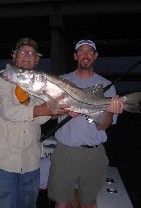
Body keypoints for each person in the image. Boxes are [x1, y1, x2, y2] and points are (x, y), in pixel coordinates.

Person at [48, 39, 125, 208]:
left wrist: (110, 110)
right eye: (81, 51)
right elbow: (51, 115)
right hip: (65, 152)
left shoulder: (107, 86)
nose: (85, 55)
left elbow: (103, 126)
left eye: (89, 51)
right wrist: (64, 111)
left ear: (95, 56)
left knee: (88, 204)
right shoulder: (60, 80)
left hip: (94, 154)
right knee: (62, 204)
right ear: (75, 56)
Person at [0, 37, 68, 208]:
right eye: (22, 52)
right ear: (14, 56)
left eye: (31, 53)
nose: (26, 55)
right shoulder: (2, 79)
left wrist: (54, 108)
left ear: (36, 60)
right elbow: (8, 111)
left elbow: (43, 118)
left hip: (31, 162)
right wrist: (41, 109)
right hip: (4, 163)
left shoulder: (40, 84)